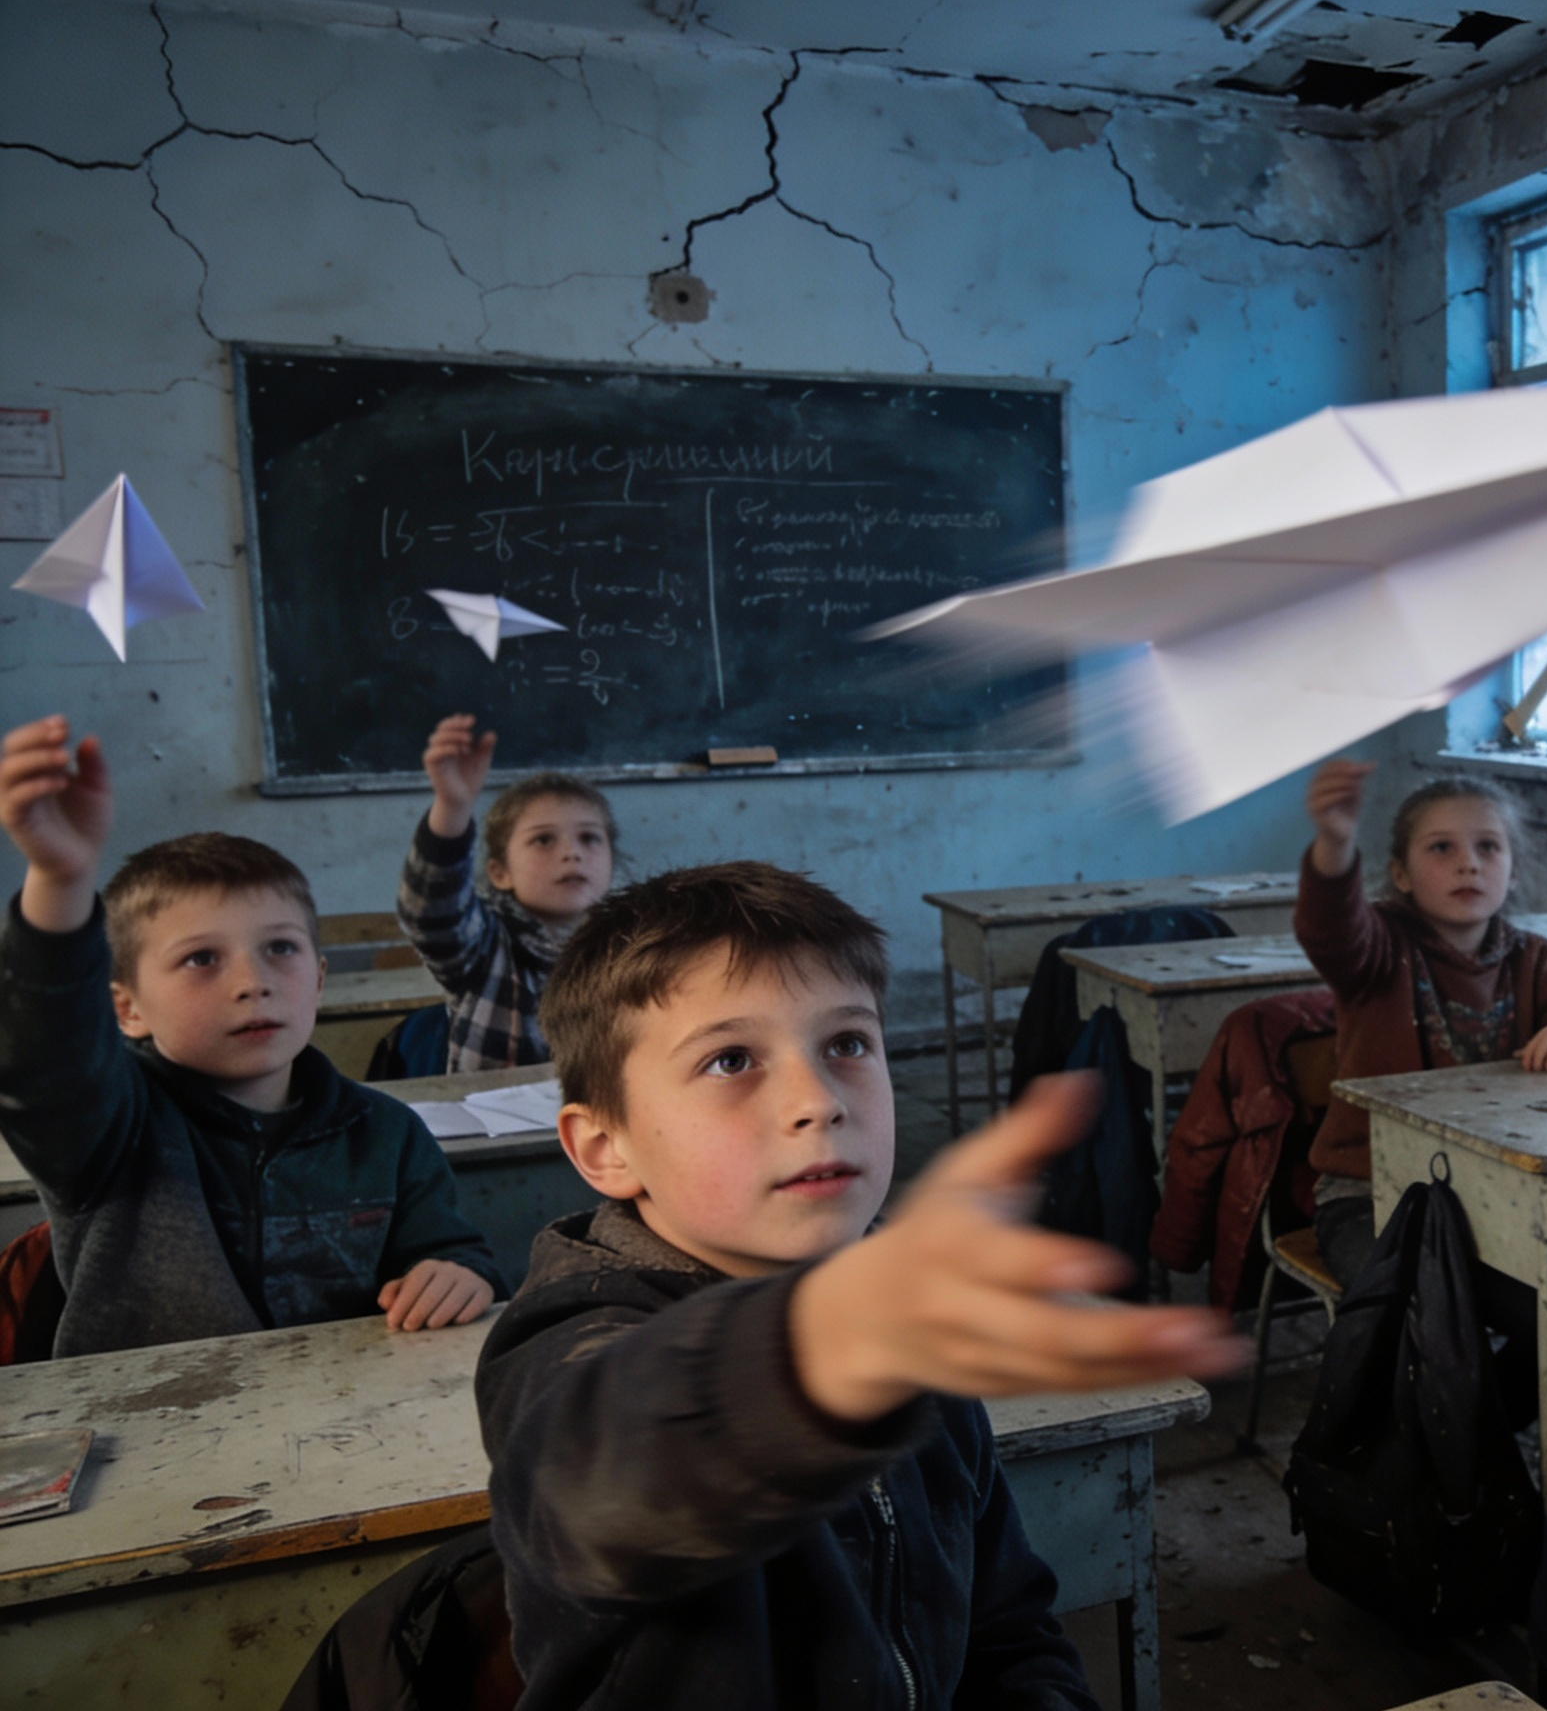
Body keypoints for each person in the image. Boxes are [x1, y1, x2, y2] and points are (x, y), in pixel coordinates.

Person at [475, 862, 1242, 1710]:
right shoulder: (571, 1336)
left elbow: (1005, 1623)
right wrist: (827, 1343)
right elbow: (595, 1491)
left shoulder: (895, 1310)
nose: (816, 1100)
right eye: (731, 1060)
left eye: (847, 1044)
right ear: (604, 1148)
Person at [0, 715, 502, 1357]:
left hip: (342, 1416)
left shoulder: (388, 1133)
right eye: (201, 959)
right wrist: (61, 883)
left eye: (281, 949)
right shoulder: (110, 1128)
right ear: (127, 1010)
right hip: (153, 1424)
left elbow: (447, 1247)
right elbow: (47, 1056)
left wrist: (460, 1274)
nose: (252, 983)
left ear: (318, 982)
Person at [1296, 760, 1547, 1285]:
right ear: (1401, 875)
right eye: (1442, 848)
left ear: (1511, 873)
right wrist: (1334, 841)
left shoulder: (1529, 958)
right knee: (1425, 1302)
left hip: (1490, 1190)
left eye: (1488, 847)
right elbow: (1329, 927)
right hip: (1371, 1191)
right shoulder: (1378, 951)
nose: (1469, 864)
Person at [397, 713, 615, 1072]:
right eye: (543, 840)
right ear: (500, 873)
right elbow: (429, 910)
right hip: (498, 1128)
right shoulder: (485, 945)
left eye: (590, 838)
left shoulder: (631, 946)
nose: (572, 853)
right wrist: (452, 807)